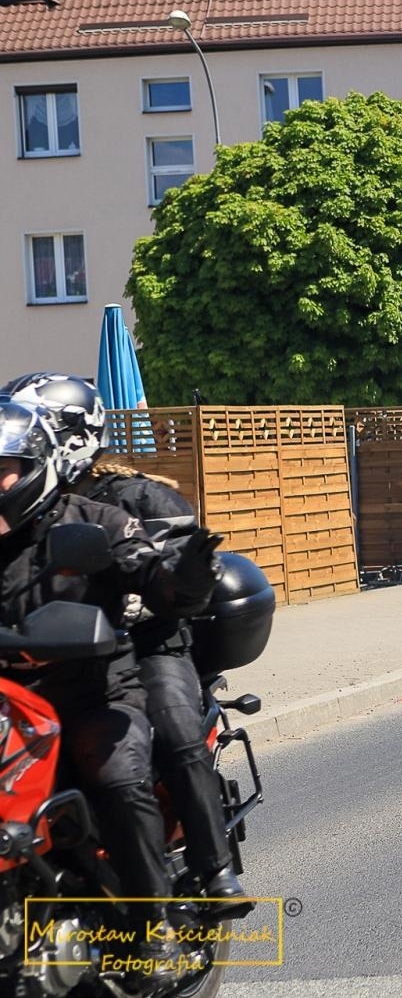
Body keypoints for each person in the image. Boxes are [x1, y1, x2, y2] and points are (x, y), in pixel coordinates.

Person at [3, 372, 249, 908]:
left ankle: (214, 872)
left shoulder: (134, 495)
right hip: (52, 658)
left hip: (146, 645)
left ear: (68, 436)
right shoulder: (27, 515)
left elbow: (176, 580)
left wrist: (182, 569)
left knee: (172, 735)